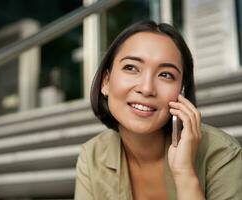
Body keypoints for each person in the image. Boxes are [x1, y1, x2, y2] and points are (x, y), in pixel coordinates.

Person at [74, 20, 242, 200]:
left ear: (181, 91)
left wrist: (184, 174)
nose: (146, 89)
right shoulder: (92, 156)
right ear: (105, 82)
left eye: (165, 75)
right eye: (131, 68)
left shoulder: (222, 154)